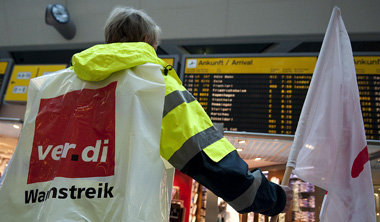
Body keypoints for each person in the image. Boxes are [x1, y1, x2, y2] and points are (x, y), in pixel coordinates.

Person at [91, 6, 291, 216]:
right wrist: (270, 197)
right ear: (147, 39)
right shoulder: (157, 86)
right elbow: (205, 157)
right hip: (122, 212)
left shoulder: (65, 82)